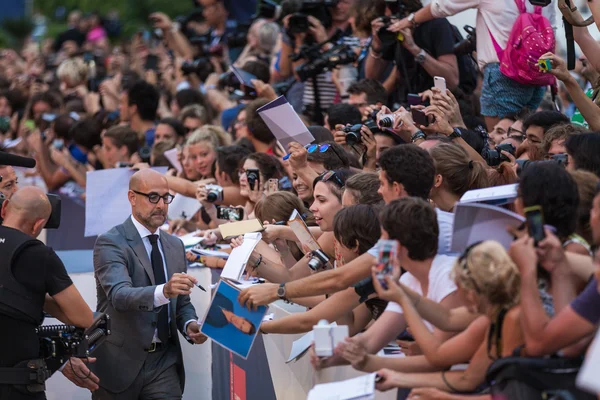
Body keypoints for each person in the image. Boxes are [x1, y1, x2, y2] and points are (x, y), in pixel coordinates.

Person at [90, 169, 207, 399]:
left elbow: (181, 303)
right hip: (119, 361)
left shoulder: (175, 245)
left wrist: (190, 325)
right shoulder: (110, 242)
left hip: (164, 361)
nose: (161, 205)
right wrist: (164, 291)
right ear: (132, 198)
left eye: (166, 198)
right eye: (153, 197)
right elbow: (119, 295)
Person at [0, 187, 97, 399]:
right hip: (17, 386)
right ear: (38, 225)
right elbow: (83, 317)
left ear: (4, 208)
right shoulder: (39, 255)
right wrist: (34, 296)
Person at [119, 80, 160, 147]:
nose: (119, 107)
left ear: (133, 108)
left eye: (122, 103)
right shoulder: (158, 133)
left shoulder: (149, 141)